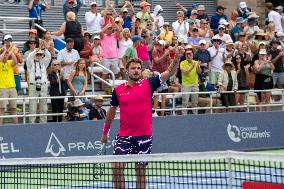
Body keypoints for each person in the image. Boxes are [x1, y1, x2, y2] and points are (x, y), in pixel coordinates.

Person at [100, 52, 182, 189]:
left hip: (144, 137)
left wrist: (177, 58)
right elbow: (111, 112)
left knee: (140, 171)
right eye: (133, 68)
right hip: (124, 137)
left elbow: (169, 72)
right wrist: (105, 132)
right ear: (127, 71)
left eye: (139, 68)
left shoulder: (149, 84)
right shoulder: (118, 90)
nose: (136, 70)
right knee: (117, 168)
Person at [26, 48, 51, 123]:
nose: (39, 56)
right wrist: (35, 51)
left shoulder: (44, 63)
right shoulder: (30, 63)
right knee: (32, 107)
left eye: (40, 54)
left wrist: (45, 49)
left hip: (43, 86)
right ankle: (32, 124)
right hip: (33, 86)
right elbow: (29, 57)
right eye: (37, 54)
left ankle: (43, 123)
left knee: (43, 107)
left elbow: (49, 56)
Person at [0, 48, 18, 124]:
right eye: (4, 54)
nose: (5, 55)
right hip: (2, 88)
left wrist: (10, 52)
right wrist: (4, 51)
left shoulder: (10, 62)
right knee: (1, 109)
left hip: (12, 88)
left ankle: (17, 127)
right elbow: (0, 58)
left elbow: (16, 61)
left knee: (14, 109)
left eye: (7, 54)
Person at [180, 49, 201, 115]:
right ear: (185, 55)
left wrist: (198, 66)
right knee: (185, 102)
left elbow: (199, 72)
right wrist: (192, 66)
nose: (188, 56)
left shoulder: (196, 62)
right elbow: (185, 72)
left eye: (190, 54)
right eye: (187, 54)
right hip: (186, 85)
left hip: (195, 84)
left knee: (195, 102)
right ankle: (184, 117)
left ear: (192, 55)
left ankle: (195, 116)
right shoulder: (182, 63)